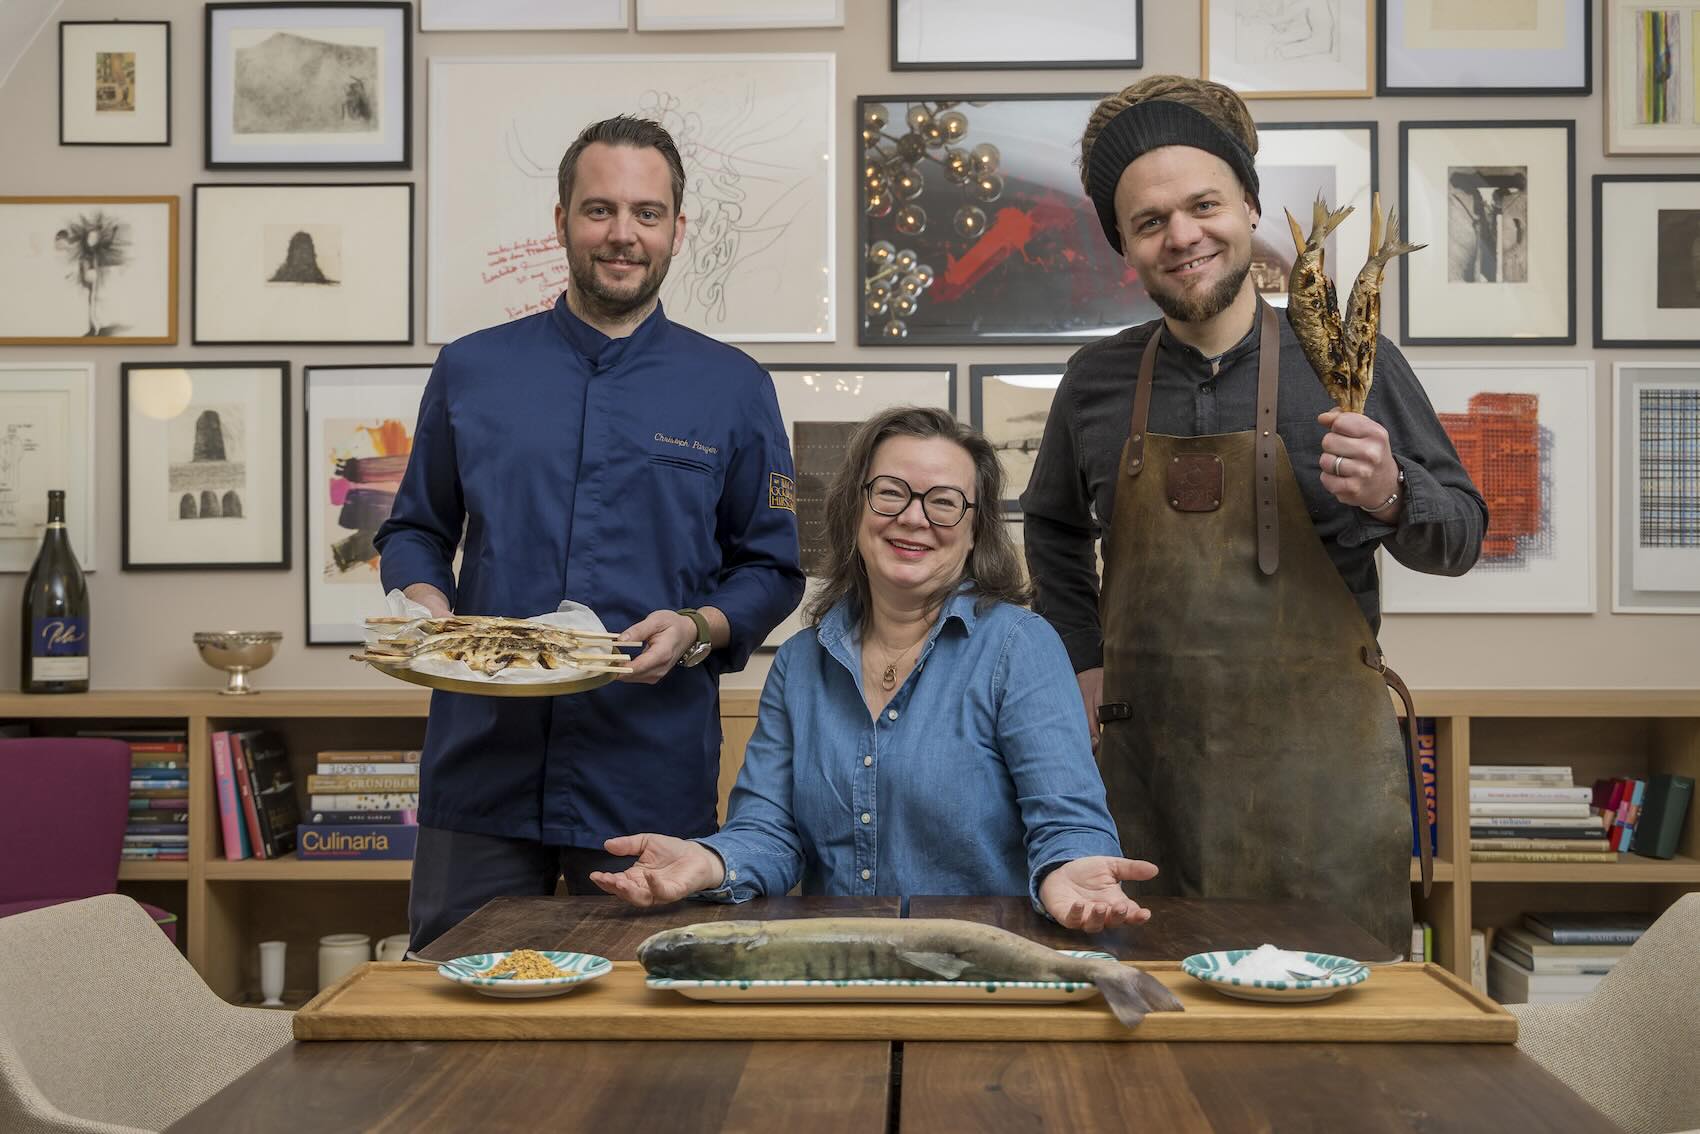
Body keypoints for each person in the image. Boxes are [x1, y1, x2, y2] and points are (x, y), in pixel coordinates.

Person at [1020, 76, 1488, 958]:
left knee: (1333, 1032)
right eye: (1150, 221)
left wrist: (1392, 492)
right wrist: (1080, 659)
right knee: (1148, 1015)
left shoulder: (1350, 364)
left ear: (1250, 207)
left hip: (1326, 790)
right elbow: (1051, 527)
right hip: (1147, 781)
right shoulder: (1094, 382)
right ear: (1124, 245)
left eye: (1204, 206)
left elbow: (1461, 536)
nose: (1182, 236)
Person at [375, 115, 805, 950]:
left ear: (678, 228)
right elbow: (415, 528)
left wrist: (697, 627)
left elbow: (771, 567)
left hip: (646, 773)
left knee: (643, 1011)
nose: (622, 234)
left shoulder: (735, 388)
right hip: (481, 765)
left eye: (647, 213)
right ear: (562, 219)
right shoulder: (471, 369)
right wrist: (425, 606)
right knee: (453, 1006)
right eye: (599, 209)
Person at [591, 407, 1158, 932]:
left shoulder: (1020, 646)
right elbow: (768, 832)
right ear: (855, 509)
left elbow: (1067, 821)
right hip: (837, 967)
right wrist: (710, 862)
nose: (913, 518)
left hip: (981, 968)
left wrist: (1070, 870)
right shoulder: (800, 662)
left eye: (944, 502)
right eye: (890, 492)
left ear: (975, 530)